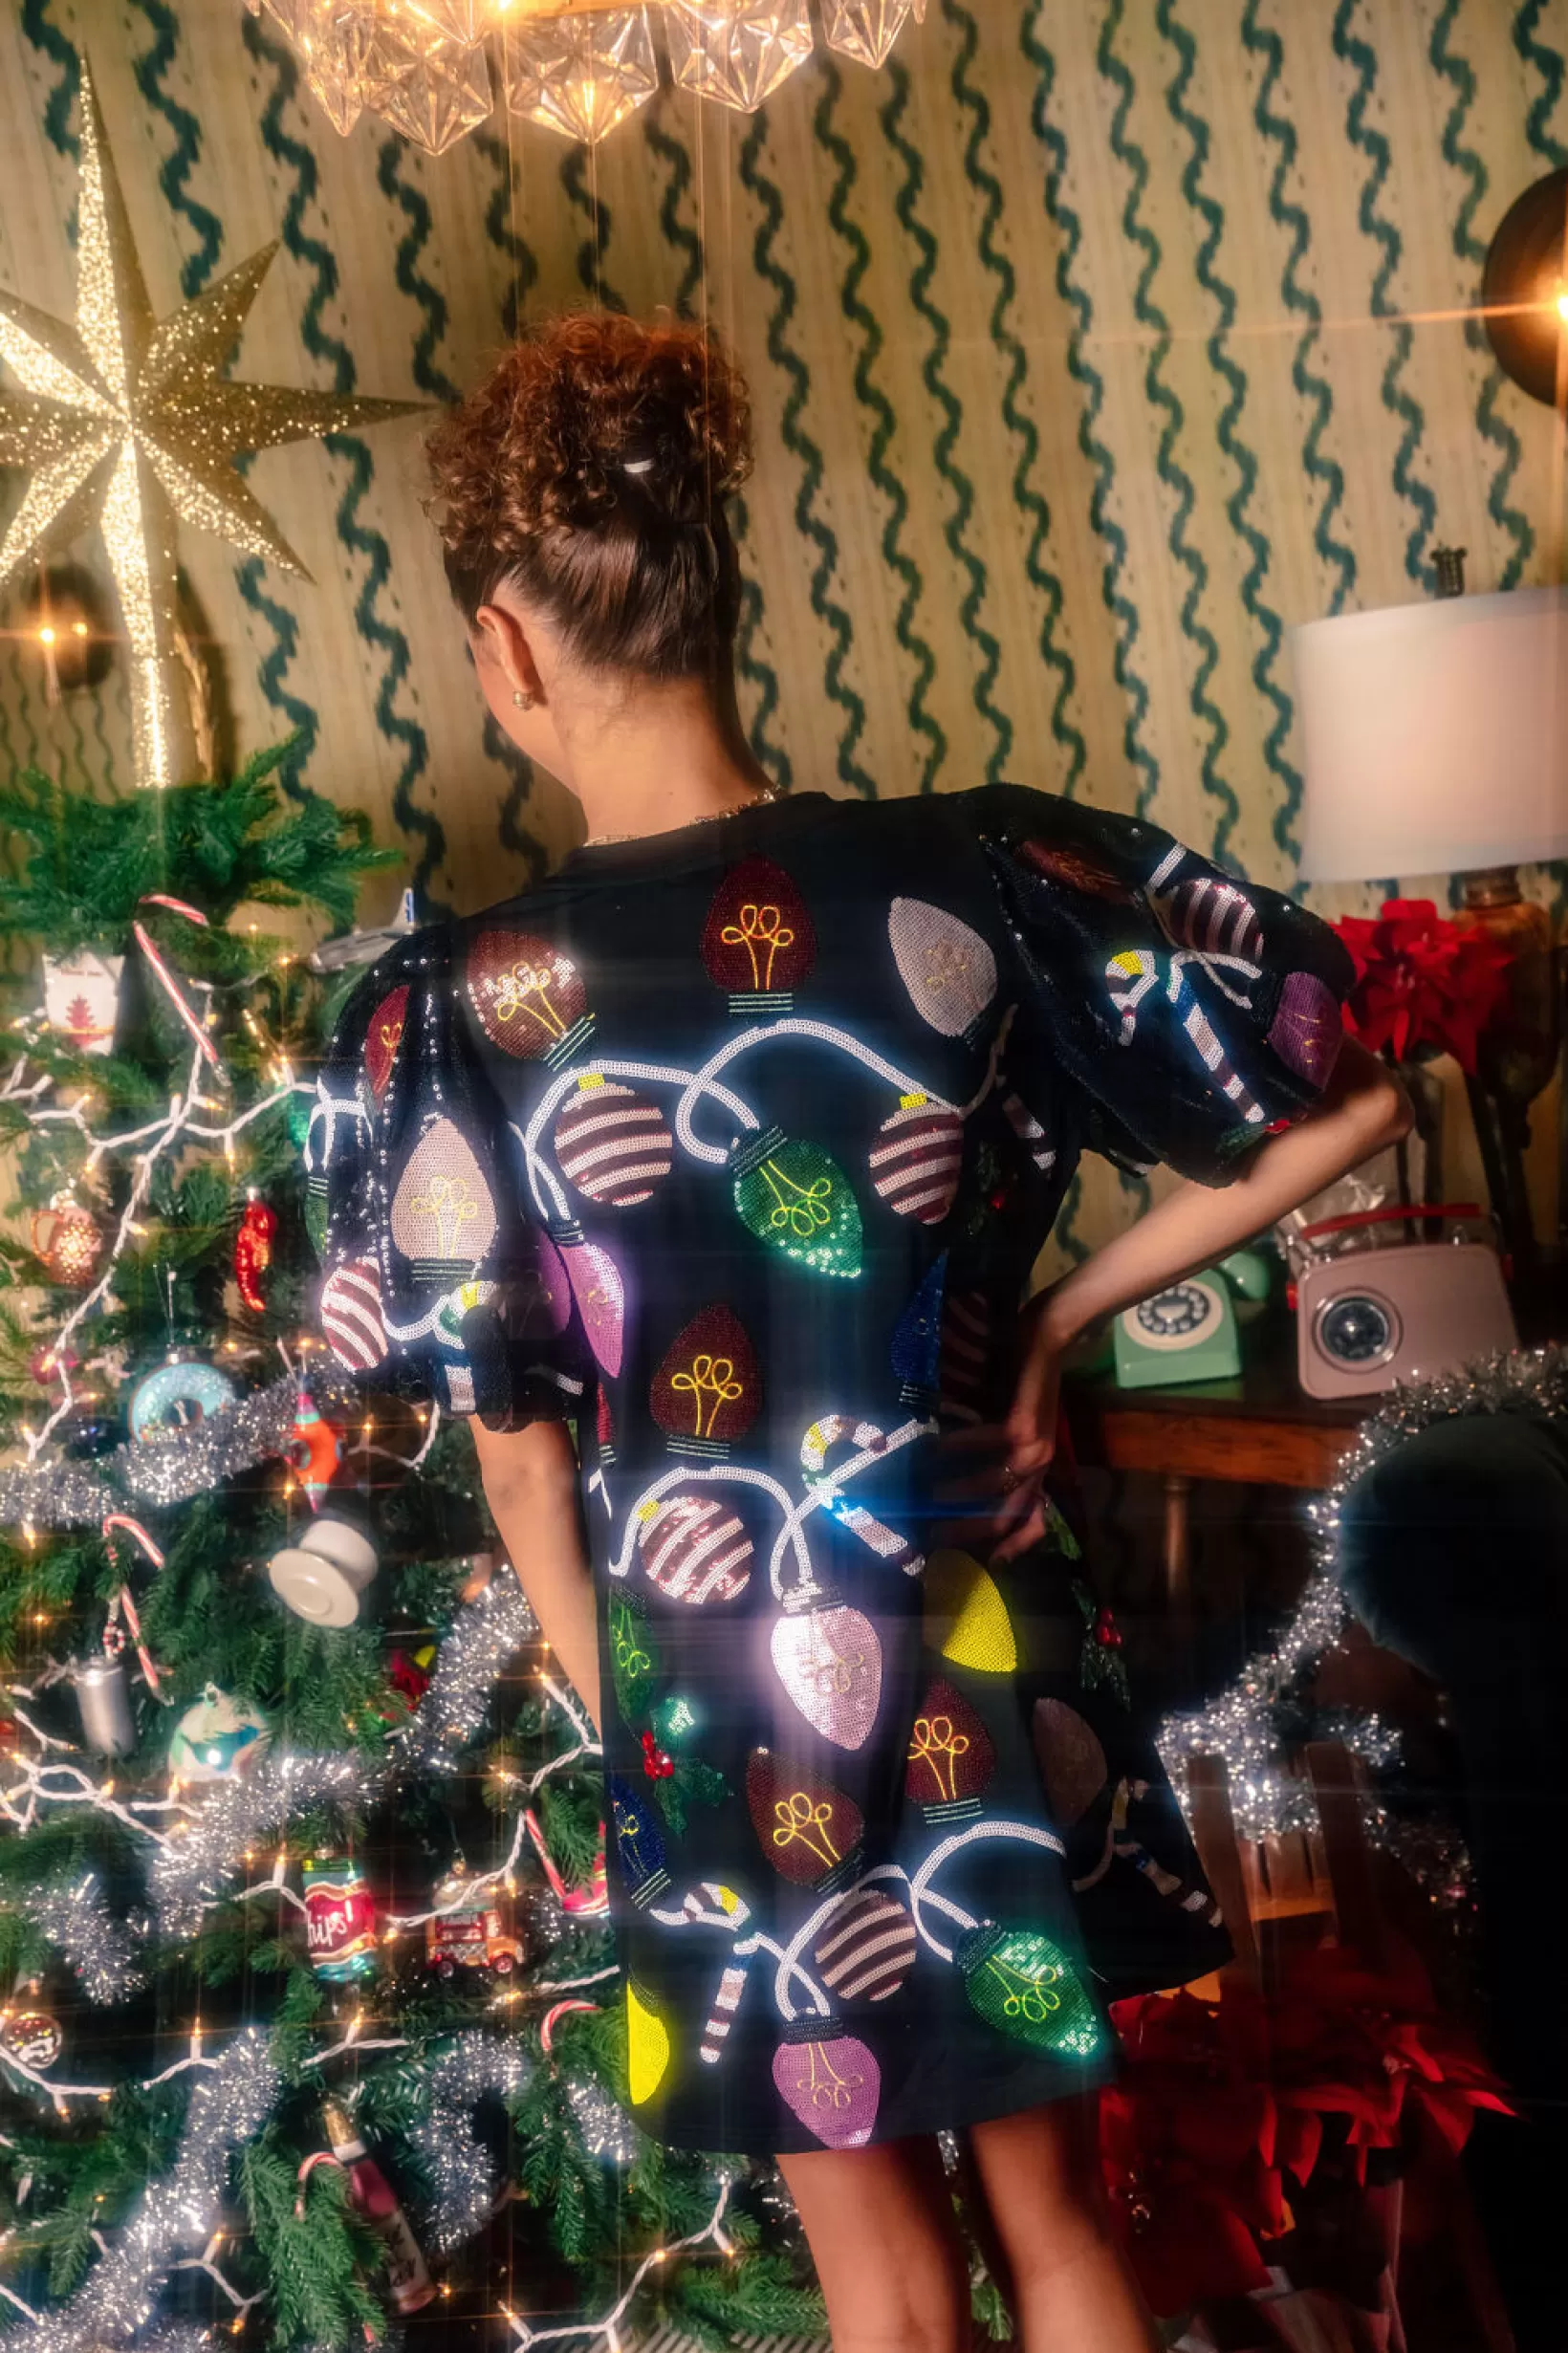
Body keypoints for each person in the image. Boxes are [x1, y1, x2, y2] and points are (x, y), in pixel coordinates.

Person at [314, 313, 1410, 2353]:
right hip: (980, 1625)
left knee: (884, 2294)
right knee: (1066, 2227)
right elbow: (1351, 1093)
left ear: (506, 652)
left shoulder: (469, 1002)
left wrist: (635, 1731)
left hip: (720, 1695)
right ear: (721, 602)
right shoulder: (976, 873)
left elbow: (524, 1459)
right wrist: (1053, 1323)